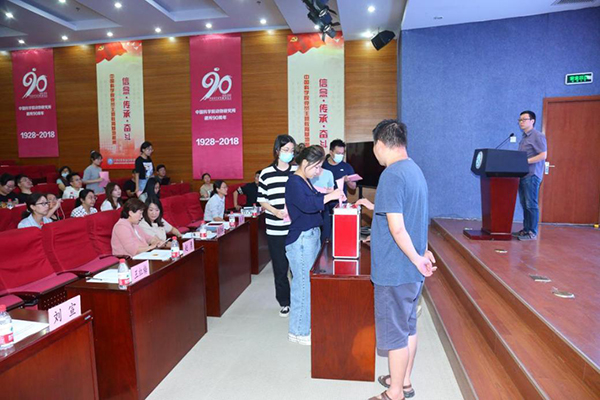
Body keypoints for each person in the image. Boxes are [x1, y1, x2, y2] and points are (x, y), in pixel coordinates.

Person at [356, 120, 435, 400]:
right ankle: (405, 381)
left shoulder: (391, 174)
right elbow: (414, 216)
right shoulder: (414, 170)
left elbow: (398, 228)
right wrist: (422, 254)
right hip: (412, 271)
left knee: (395, 335)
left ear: (380, 144)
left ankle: (395, 392)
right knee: (409, 327)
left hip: (396, 269)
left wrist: (415, 257)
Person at [285, 145, 343, 345]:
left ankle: (302, 326)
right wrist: (329, 196)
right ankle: (299, 332)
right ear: (304, 163)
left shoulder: (304, 181)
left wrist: (328, 195)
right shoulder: (294, 182)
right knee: (303, 285)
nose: (319, 171)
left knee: (306, 283)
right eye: (316, 167)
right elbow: (307, 205)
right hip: (302, 239)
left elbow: (314, 199)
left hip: (309, 236)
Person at [257, 134, 297, 317]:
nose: (289, 153)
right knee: (280, 268)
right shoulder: (266, 173)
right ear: (277, 151)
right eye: (286, 150)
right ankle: (284, 302)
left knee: (297, 267)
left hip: (295, 228)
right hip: (275, 228)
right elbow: (262, 200)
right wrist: (275, 211)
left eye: (292, 150)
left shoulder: (297, 171)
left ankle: (299, 300)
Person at [513, 110, 547, 241]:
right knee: (524, 204)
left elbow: (543, 155)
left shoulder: (537, 136)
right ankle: (526, 229)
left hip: (532, 175)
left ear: (532, 121)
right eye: (519, 120)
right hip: (522, 175)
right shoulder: (524, 137)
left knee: (531, 204)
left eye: (524, 119)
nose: (521, 122)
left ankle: (532, 232)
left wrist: (525, 161)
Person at [310, 167, 335, 243]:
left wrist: (325, 191)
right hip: (311, 205)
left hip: (324, 205)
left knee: (325, 232)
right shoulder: (307, 173)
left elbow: (331, 190)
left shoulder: (328, 173)